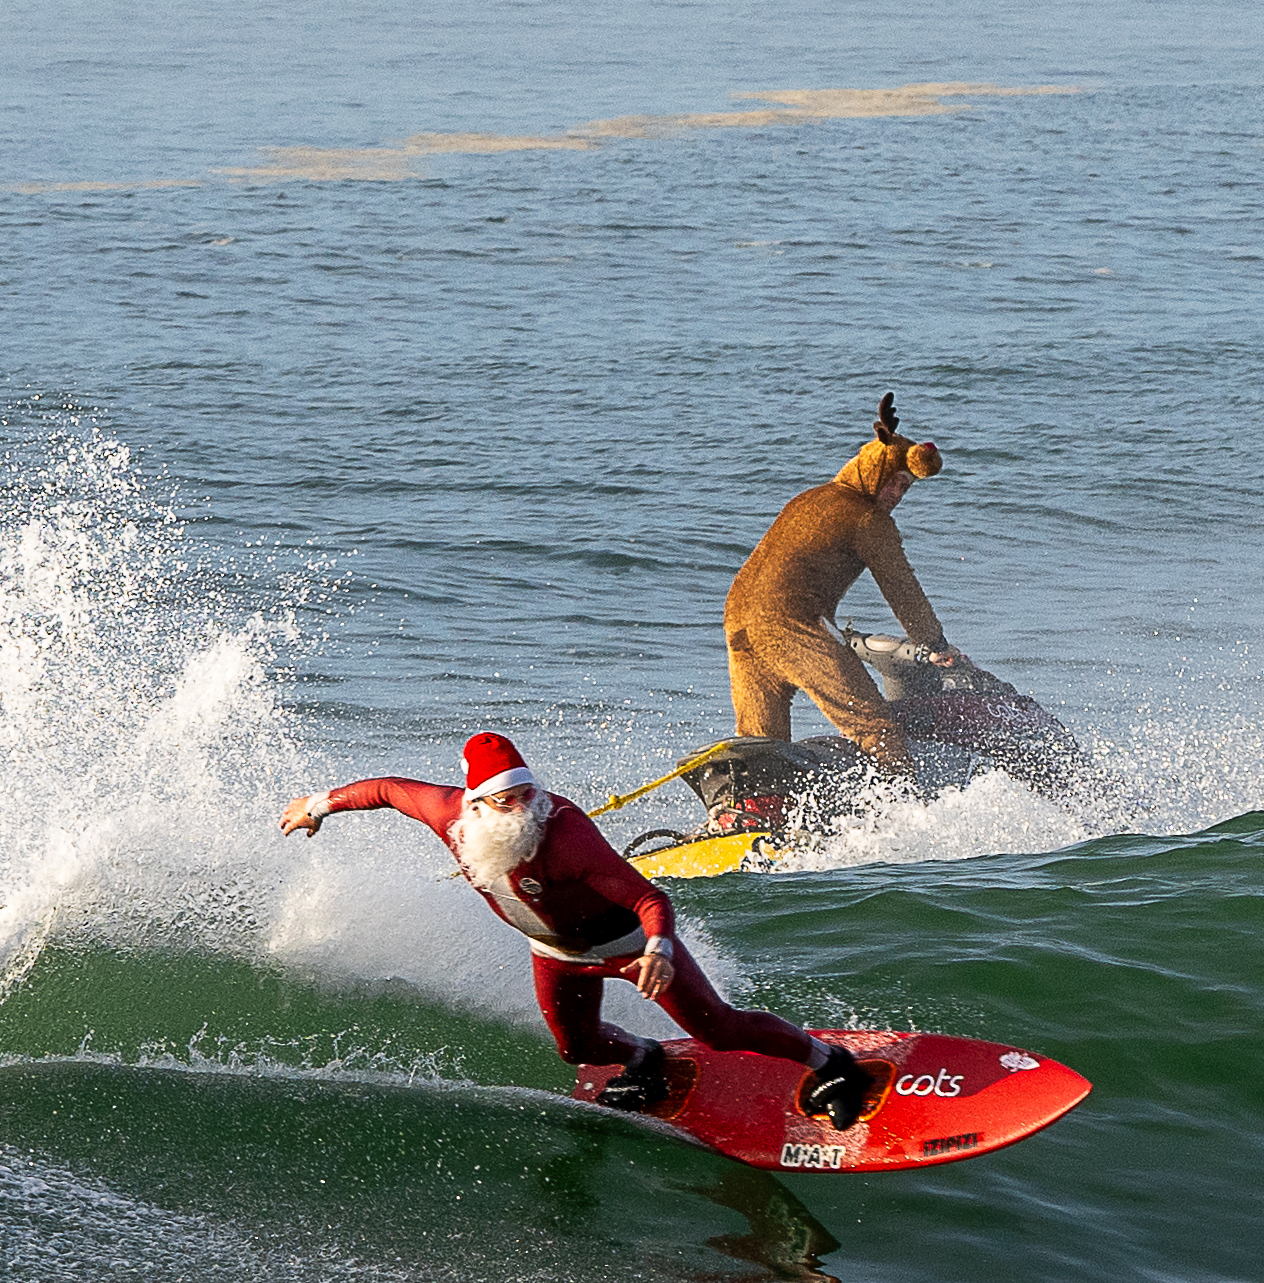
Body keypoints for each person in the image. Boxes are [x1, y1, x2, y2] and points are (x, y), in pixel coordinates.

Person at [278, 733, 878, 1124]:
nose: (524, 807)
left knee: (718, 1029)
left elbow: (648, 896)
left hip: (624, 945)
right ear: (476, 804)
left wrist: (659, 949)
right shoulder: (446, 814)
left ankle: (832, 1063)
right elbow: (384, 790)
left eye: (527, 793)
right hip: (554, 952)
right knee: (577, 1050)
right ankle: (647, 1061)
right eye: (506, 799)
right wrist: (321, 804)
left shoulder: (566, 836)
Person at [722, 392, 956, 780]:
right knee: (873, 726)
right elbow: (901, 587)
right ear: (875, 471)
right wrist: (933, 643)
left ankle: (754, 814)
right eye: (894, 483)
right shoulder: (865, 517)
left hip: (738, 624)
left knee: (760, 744)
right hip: (789, 627)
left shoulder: (809, 498)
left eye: (905, 489)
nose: (897, 496)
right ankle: (907, 806)